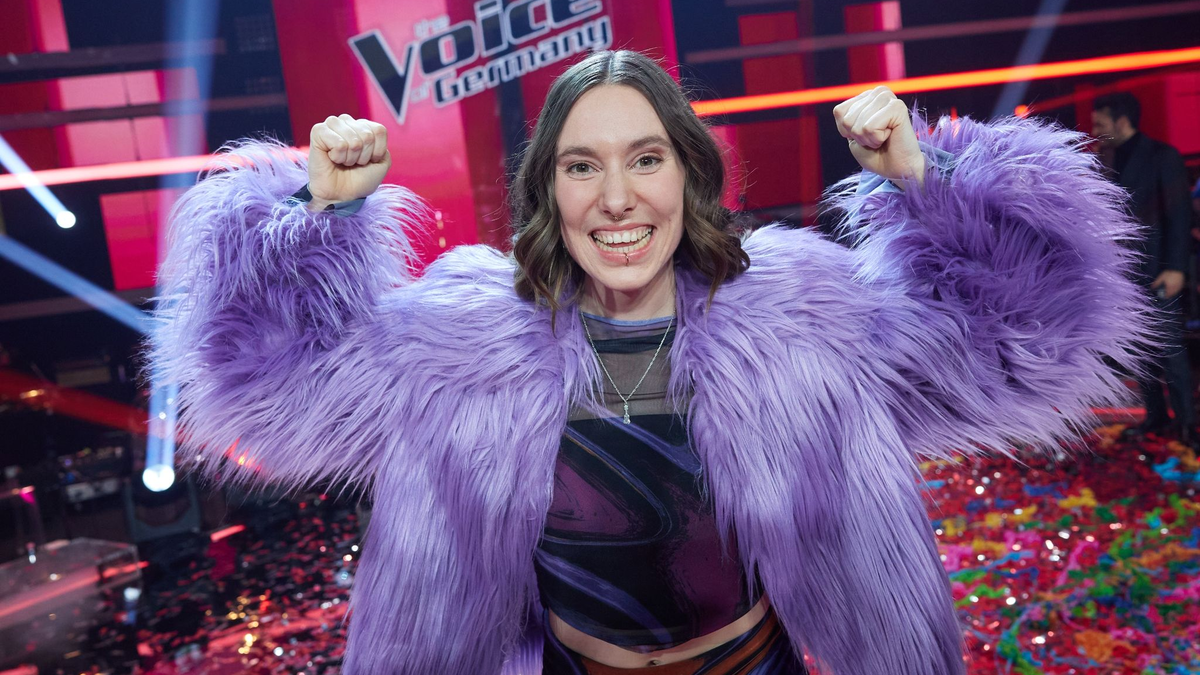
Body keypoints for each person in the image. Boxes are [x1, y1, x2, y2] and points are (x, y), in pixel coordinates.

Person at [150, 51, 1151, 675]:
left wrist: (926, 176)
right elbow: (262, 382)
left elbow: (1033, 334)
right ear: (549, 192)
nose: (617, 197)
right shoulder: (462, 347)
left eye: (645, 158)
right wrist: (315, 213)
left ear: (689, 176)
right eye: (582, 165)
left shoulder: (804, 325)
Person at [1092, 92, 1194, 443]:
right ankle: (1156, 417)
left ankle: (1187, 425)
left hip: (1159, 269)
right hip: (1122, 275)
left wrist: (1177, 267)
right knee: (1140, 350)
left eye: (1100, 124)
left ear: (1121, 121)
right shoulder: (1104, 160)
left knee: (1170, 350)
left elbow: (1179, 216)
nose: (1095, 131)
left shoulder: (1162, 156)